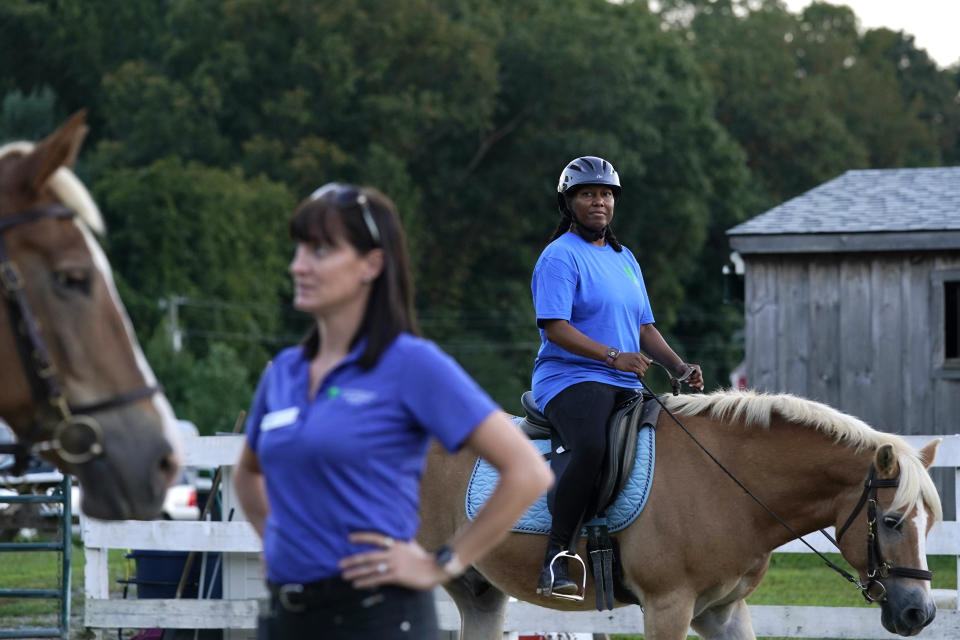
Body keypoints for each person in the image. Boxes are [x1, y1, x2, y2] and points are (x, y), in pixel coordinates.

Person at [233, 183, 553, 638]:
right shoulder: (283, 372)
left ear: (372, 264)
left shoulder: (411, 365)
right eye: (300, 249)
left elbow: (527, 471)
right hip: (288, 618)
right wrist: (276, 543)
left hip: (378, 618)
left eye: (320, 250)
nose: (298, 265)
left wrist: (442, 563)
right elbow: (248, 473)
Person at [531, 156, 704, 597]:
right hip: (568, 377)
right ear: (568, 203)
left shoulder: (625, 259)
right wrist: (612, 356)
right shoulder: (559, 257)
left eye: (606, 193)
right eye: (587, 193)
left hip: (623, 380)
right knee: (590, 445)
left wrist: (678, 366)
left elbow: (644, 328)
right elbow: (555, 326)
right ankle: (557, 555)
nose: (598, 201)